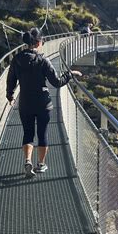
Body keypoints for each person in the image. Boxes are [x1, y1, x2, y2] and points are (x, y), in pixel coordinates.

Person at [6, 27, 82, 178]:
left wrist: (10, 95)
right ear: (39, 42)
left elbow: (11, 80)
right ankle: (41, 165)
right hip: (43, 103)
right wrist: (70, 74)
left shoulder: (17, 59)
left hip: (25, 102)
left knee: (28, 133)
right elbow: (57, 82)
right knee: (42, 134)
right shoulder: (43, 61)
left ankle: (27, 160)